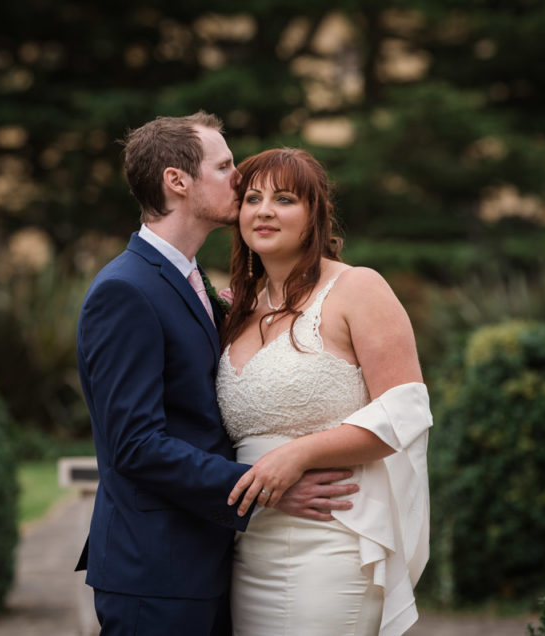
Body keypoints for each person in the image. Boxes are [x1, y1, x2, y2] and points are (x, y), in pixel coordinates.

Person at [74, 113, 359, 636]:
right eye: (225, 165)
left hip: (207, 560)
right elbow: (134, 444)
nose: (240, 179)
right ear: (177, 181)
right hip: (155, 569)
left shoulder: (193, 281)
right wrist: (262, 488)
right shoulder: (126, 289)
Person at [216, 147, 432, 635]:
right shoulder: (237, 308)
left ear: (314, 214)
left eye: (285, 198)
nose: (265, 210)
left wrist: (299, 455)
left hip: (333, 537)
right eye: (252, 198)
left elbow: (407, 409)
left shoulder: (358, 288)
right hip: (248, 546)